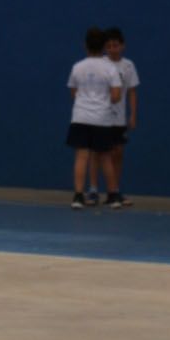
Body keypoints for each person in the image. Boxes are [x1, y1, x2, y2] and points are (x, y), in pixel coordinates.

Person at [66, 26, 124, 210]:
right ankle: (113, 196)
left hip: (80, 117)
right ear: (104, 46)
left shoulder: (77, 67)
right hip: (102, 119)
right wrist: (103, 100)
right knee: (105, 156)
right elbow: (116, 96)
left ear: (85, 46)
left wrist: (86, 100)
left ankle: (78, 196)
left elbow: (73, 93)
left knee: (81, 156)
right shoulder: (111, 68)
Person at [98, 27, 139, 209]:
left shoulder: (128, 65)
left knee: (118, 154)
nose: (112, 49)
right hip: (102, 116)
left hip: (120, 118)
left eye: (115, 45)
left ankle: (115, 190)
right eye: (108, 46)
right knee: (104, 154)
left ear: (123, 46)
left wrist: (133, 115)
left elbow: (132, 92)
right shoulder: (101, 64)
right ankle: (108, 191)